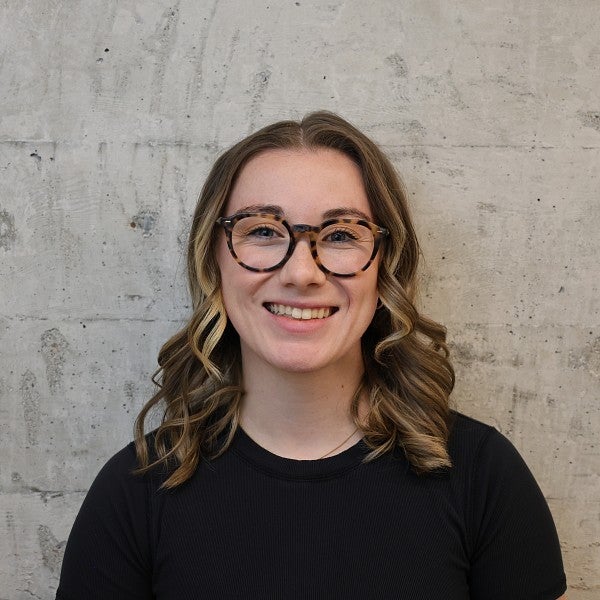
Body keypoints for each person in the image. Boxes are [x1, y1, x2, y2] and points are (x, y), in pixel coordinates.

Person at [56, 111, 567, 599]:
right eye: (261, 230)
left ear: (383, 264)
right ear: (214, 258)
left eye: (341, 234)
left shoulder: (482, 475)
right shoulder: (135, 493)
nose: (302, 273)